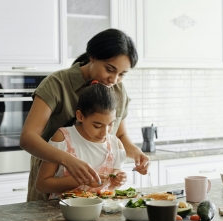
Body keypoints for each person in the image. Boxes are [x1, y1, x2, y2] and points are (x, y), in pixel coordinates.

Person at [20, 28, 150, 201]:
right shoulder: (57, 84)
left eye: (122, 74)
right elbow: (28, 138)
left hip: (96, 196)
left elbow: (119, 135)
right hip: (52, 189)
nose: (114, 79)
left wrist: (137, 153)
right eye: (109, 69)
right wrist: (68, 161)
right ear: (93, 57)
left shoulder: (118, 89)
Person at [36, 83, 127, 198]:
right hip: (63, 211)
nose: (105, 132)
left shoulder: (116, 145)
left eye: (110, 124)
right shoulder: (63, 138)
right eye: (97, 126)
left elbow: (112, 187)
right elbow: (42, 185)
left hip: (101, 212)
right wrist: (81, 180)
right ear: (80, 116)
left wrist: (118, 180)